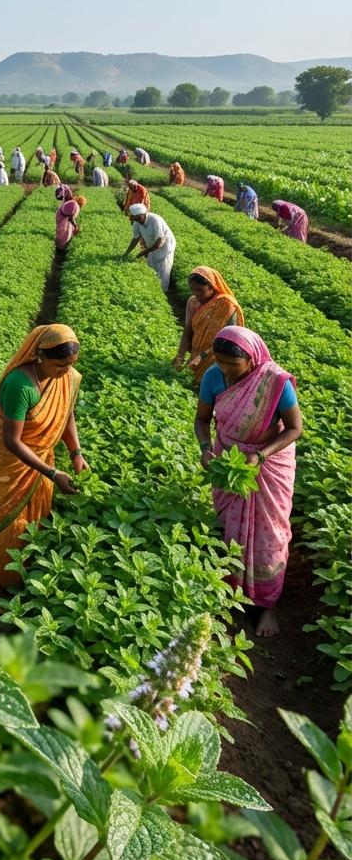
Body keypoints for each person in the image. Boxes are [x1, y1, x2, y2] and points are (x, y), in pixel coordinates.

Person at [195, 326, 302, 637]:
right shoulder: (213, 377)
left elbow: (294, 428)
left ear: (252, 359)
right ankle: (231, 591)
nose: (225, 369)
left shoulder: (275, 382)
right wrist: (206, 448)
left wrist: (261, 455)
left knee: (269, 533)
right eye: (221, 362)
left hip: (269, 463)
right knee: (230, 527)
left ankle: (267, 604)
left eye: (233, 364)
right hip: (229, 460)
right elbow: (202, 419)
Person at [0, 324, 88, 591]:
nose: (65, 371)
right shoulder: (20, 384)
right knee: (7, 525)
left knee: (33, 522)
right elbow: (12, 441)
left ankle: (22, 581)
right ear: (40, 356)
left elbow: (66, 414)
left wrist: (76, 453)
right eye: (59, 365)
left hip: (37, 457)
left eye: (70, 364)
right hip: (5, 458)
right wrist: (52, 473)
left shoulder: (68, 379)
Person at [173, 268, 244, 383]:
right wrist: (180, 356)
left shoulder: (227, 305)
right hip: (195, 358)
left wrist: (205, 354)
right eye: (192, 289)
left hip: (218, 362)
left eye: (200, 290)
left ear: (211, 287)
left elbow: (232, 341)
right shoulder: (193, 302)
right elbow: (187, 332)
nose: (196, 293)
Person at [122, 205, 175, 291]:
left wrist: (143, 253)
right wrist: (126, 253)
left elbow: (159, 243)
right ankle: (152, 288)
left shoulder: (155, 220)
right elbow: (135, 238)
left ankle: (162, 292)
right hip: (153, 246)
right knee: (151, 265)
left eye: (137, 218)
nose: (135, 220)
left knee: (163, 270)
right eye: (134, 218)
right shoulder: (137, 223)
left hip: (165, 246)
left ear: (142, 215)